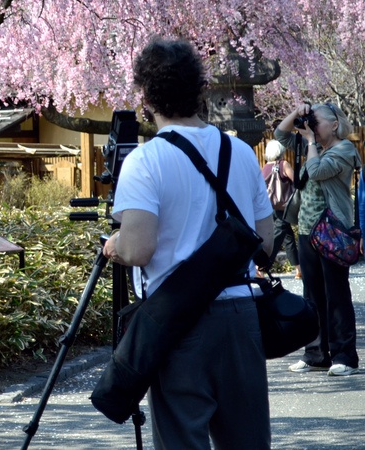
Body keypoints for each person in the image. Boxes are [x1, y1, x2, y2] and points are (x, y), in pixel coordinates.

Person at [102, 38, 274, 450]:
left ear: (146, 97)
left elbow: (138, 249)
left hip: (179, 322)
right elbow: (264, 243)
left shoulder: (145, 161)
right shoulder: (241, 152)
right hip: (239, 315)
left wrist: (115, 245)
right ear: (200, 90)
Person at [275, 101, 360, 376]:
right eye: (311, 122)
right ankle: (315, 353)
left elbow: (317, 172)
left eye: (317, 121)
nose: (312, 126)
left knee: (336, 294)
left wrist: (310, 141)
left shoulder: (345, 149)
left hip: (333, 231)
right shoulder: (310, 146)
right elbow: (279, 134)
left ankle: (344, 356)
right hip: (307, 230)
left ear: (334, 125)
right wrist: (297, 113)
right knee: (311, 295)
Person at [260, 138, 299, 277]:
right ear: (280, 151)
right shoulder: (283, 165)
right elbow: (297, 181)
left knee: (288, 236)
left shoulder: (265, 167)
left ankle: (298, 268)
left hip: (271, 206)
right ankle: (262, 265)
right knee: (279, 233)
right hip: (285, 206)